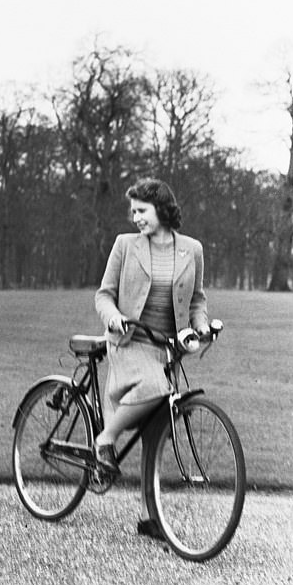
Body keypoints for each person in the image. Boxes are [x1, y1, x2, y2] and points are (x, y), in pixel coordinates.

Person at [94, 178, 209, 539]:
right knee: (156, 388)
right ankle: (105, 439)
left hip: (167, 348)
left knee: (156, 432)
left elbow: (197, 300)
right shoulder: (125, 245)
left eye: (141, 210)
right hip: (129, 341)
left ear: (161, 209)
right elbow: (104, 295)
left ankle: (149, 516)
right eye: (134, 211)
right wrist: (113, 316)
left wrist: (201, 326)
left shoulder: (192, 249)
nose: (135, 218)